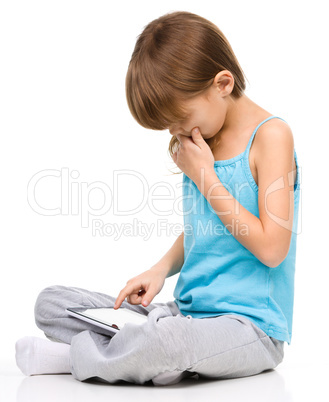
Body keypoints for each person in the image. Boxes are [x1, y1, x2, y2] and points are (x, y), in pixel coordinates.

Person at [15, 11, 300, 386]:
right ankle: (136, 353)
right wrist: (160, 270)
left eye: (180, 118)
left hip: (249, 328)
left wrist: (205, 177)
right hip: (186, 313)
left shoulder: (272, 137)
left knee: (165, 342)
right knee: (51, 302)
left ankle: (73, 357)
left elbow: (272, 248)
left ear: (223, 83)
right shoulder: (205, 143)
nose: (176, 131)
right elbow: (209, 228)